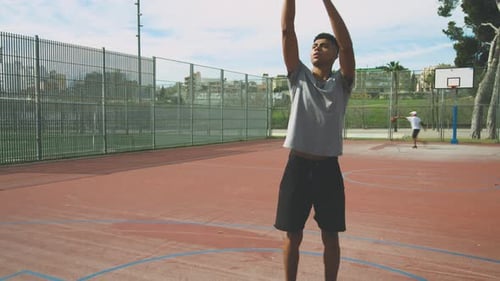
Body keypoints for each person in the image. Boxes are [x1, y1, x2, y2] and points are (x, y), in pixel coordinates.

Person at [274, 0, 355, 280]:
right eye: (314, 44)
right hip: (297, 167)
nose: (317, 47)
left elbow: (347, 46)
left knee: (330, 236)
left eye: (324, 45)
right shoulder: (298, 77)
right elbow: (287, 30)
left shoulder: (342, 84)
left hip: (327, 170)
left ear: (334, 54)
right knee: (291, 234)